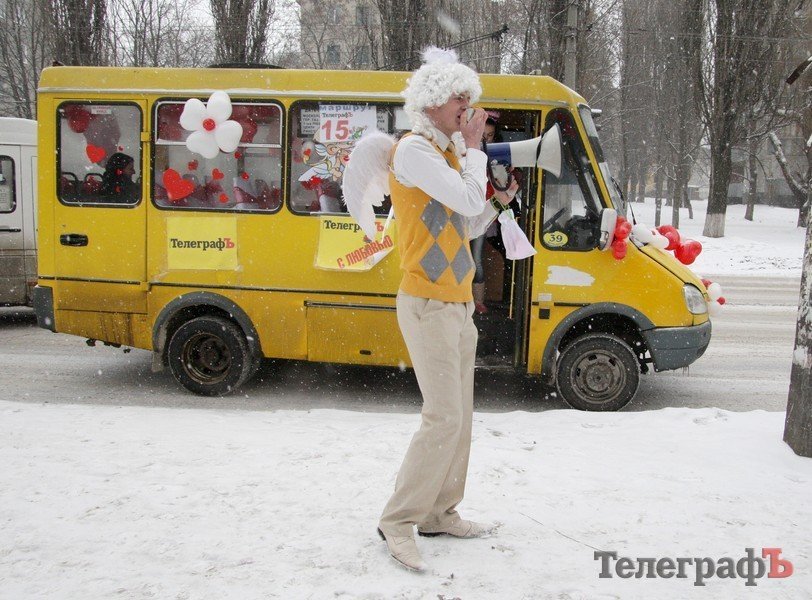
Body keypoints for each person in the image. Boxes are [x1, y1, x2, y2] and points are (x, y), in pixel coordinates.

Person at [376, 47, 515, 572]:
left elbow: (467, 222)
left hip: (455, 304)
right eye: (461, 98)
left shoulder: (448, 156)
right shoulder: (414, 151)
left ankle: (440, 511)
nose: (469, 106)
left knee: (460, 420)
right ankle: (398, 519)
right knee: (442, 417)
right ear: (433, 101)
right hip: (427, 302)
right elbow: (462, 199)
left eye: (470, 99)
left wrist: (498, 204)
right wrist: (475, 148)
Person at [470, 115, 519, 314]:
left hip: (484, 211)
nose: (486, 140)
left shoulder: (497, 158)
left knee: (475, 259)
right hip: (465, 211)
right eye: (483, 135)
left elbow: (501, 187)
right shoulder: (468, 156)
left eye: (489, 136)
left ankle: (478, 301)